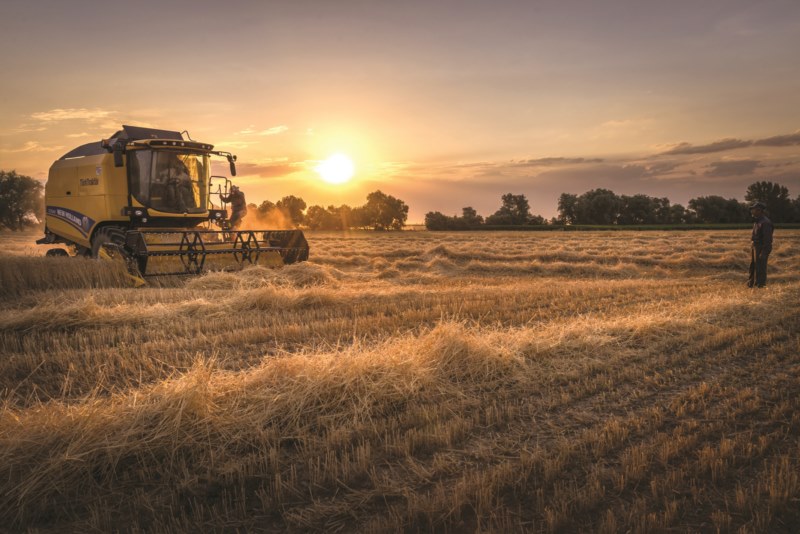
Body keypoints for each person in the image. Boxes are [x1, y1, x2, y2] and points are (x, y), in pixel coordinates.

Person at [748, 201, 773, 288]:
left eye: (753, 209)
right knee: (753, 266)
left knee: (760, 268)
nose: (752, 211)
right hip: (755, 246)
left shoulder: (765, 223)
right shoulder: (757, 221)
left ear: (759, 210)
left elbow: (767, 240)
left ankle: (760, 286)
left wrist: (764, 252)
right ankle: (752, 284)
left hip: (761, 247)